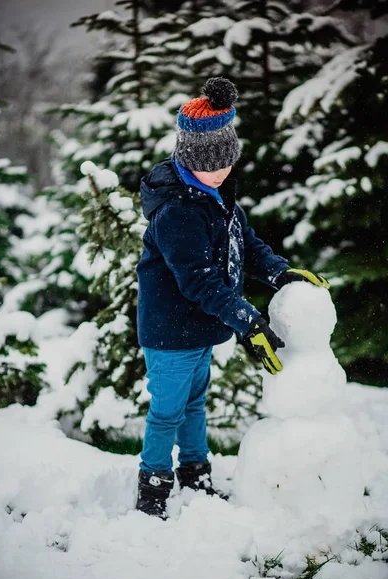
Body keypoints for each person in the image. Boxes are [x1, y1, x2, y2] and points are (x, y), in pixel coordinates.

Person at [135, 77, 329, 519]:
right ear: (190, 158)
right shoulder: (178, 211)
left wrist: (279, 271)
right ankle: (152, 488)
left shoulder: (217, 194)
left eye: (227, 162)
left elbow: (247, 242)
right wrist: (249, 320)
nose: (222, 171)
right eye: (212, 165)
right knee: (166, 412)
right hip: (169, 333)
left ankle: (195, 473)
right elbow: (199, 282)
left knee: (195, 404)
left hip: (199, 327)